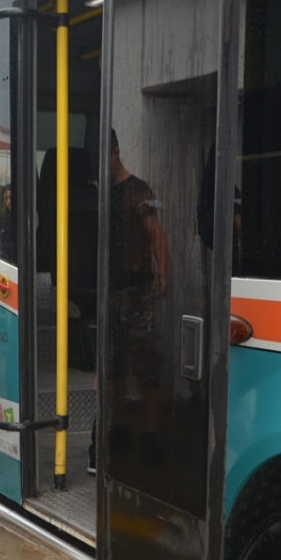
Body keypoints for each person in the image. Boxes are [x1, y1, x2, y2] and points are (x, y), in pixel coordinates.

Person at [97, 128, 168, 474]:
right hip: (110, 291)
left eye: (103, 155)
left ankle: (152, 435)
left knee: (145, 364)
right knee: (114, 366)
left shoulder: (137, 189)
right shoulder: (101, 194)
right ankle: (120, 426)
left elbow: (157, 235)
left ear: (116, 152)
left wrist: (164, 275)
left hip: (138, 290)